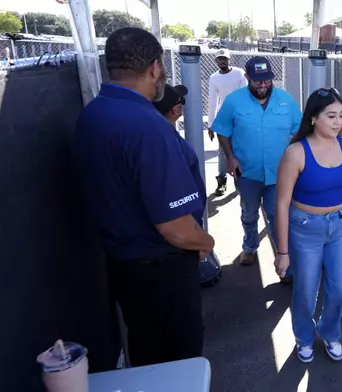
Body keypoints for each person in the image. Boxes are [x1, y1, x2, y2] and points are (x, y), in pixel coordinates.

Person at [74, 27, 214, 367]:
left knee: (149, 354)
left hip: (125, 269)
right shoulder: (146, 126)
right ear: (155, 67)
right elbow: (175, 228)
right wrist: (205, 242)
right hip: (161, 274)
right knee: (177, 363)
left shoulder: (92, 114)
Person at [273, 88, 342, 363]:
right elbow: (281, 204)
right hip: (305, 227)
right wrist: (282, 253)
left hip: (341, 225)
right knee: (306, 289)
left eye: (341, 115)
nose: (338, 122)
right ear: (313, 118)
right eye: (331, 116)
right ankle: (304, 337)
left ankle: (329, 331)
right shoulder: (295, 153)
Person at [211, 56, 302, 277]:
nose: (263, 85)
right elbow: (221, 129)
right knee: (249, 213)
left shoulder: (286, 100)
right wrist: (230, 157)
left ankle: (284, 262)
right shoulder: (234, 101)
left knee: (277, 215)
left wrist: (292, 153)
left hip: (279, 173)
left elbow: (299, 128)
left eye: (267, 80)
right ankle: (250, 246)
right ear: (247, 78)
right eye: (257, 81)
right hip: (247, 172)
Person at [207, 49, 247, 196]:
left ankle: (240, 178)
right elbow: (213, 101)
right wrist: (211, 124)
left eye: (225, 58)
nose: (222, 61)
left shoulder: (239, 73)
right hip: (224, 119)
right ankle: (222, 181)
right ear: (216, 61)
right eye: (219, 59)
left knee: (241, 148)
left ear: (229, 60)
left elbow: (246, 94)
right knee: (223, 151)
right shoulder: (214, 78)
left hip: (241, 117)